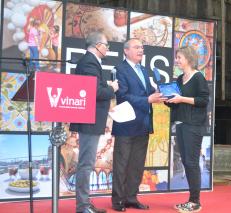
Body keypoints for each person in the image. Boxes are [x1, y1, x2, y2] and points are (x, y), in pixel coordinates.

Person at [111, 38, 166, 212]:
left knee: (137, 164)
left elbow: (147, 92)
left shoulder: (143, 69)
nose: (141, 50)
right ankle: (118, 200)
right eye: (136, 47)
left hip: (143, 124)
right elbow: (123, 96)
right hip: (126, 125)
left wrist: (158, 93)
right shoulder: (119, 70)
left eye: (142, 47)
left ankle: (131, 197)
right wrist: (147, 99)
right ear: (126, 51)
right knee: (122, 164)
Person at [69, 31, 119, 213]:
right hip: (88, 121)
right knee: (86, 163)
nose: (107, 49)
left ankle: (85, 203)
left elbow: (94, 90)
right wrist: (112, 88)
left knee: (87, 163)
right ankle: (82, 206)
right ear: (98, 46)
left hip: (90, 120)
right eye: (106, 45)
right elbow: (95, 92)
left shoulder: (91, 62)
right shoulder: (89, 62)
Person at [165, 46, 209, 212]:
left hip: (194, 125)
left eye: (179, 57)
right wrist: (167, 99)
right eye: (177, 57)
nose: (177, 60)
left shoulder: (198, 77)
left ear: (189, 59)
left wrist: (181, 98)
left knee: (191, 162)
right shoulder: (178, 79)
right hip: (181, 124)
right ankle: (191, 199)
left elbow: (204, 100)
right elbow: (175, 103)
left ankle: (195, 201)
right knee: (186, 162)